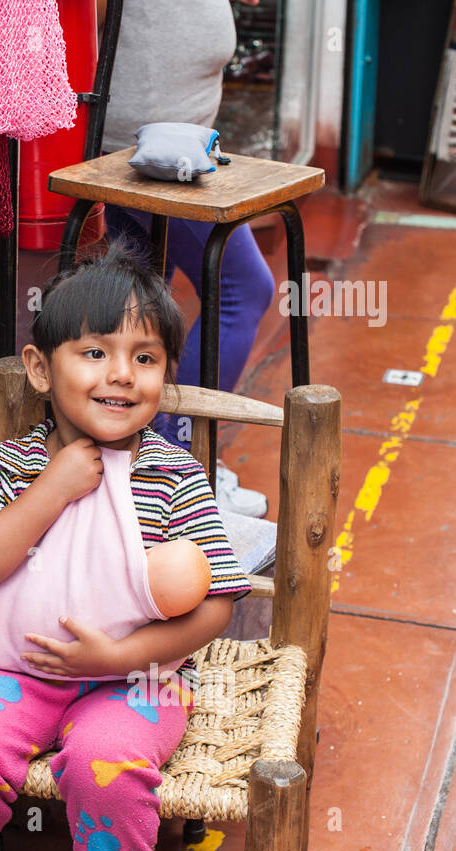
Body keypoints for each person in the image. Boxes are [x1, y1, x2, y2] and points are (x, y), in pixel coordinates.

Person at [0, 239, 252, 851]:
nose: (120, 374)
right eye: (94, 352)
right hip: (13, 670)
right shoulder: (14, 464)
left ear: (165, 379)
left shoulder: (171, 475)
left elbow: (215, 605)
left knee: (101, 764)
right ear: (39, 369)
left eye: (145, 358)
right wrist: (48, 493)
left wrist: (118, 655)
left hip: (138, 679)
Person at [97, 0, 273, 517]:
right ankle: (177, 466)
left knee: (141, 304)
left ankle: (140, 470)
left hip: (174, 139)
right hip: (152, 147)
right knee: (243, 288)